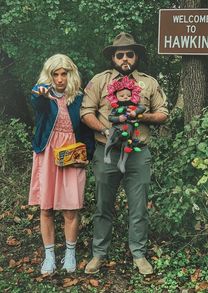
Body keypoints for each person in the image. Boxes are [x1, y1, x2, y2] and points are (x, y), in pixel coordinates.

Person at [80, 32, 168, 275]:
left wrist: (143, 116)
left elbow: (162, 113)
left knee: (138, 206)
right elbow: (86, 112)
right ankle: (99, 253)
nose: (125, 58)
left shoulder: (148, 82)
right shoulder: (100, 81)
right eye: (120, 55)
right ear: (113, 58)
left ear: (136, 56)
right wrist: (107, 131)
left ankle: (139, 254)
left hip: (138, 154)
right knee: (103, 205)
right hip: (106, 153)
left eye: (130, 54)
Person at [28, 54, 94, 275]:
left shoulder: (78, 97)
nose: (59, 79)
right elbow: (36, 104)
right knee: (46, 208)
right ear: (49, 75)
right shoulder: (43, 96)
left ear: (70, 74)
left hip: (72, 154)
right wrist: (41, 93)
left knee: (71, 208)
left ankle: (70, 254)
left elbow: (86, 128)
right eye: (55, 74)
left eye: (63, 73)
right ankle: (49, 256)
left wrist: (87, 154)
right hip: (47, 153)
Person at [104, 75, 145, 173]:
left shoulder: (133, 106)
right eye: (122, 96)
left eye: (128, 95)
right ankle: (106, 155)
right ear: (116, 97)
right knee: (111, 141)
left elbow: (142, 108)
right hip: (117, 129)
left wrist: (135, 112)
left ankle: (122, 162)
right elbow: (110, 118)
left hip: (129, 130)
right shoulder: (117, 108)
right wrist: (118, 118)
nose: (126, 97)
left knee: (126, 146)